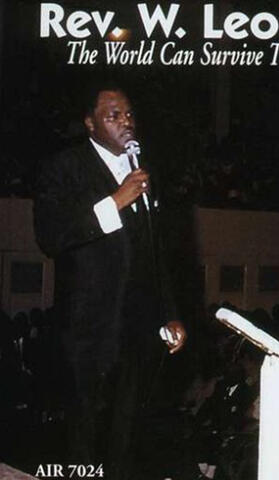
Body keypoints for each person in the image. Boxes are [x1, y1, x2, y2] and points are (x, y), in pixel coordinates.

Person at [33, 82, 187, 478]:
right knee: (84, 433)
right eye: (113, 115)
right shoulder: (65, 167)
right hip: (87, 332)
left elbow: (155, 253)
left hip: (137, 330)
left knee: (127, 434)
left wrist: (169, 312)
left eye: (129, 114)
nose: (126, 122)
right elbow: (50, 237)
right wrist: (116, 201)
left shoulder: (144, 171)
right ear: (90, 123)